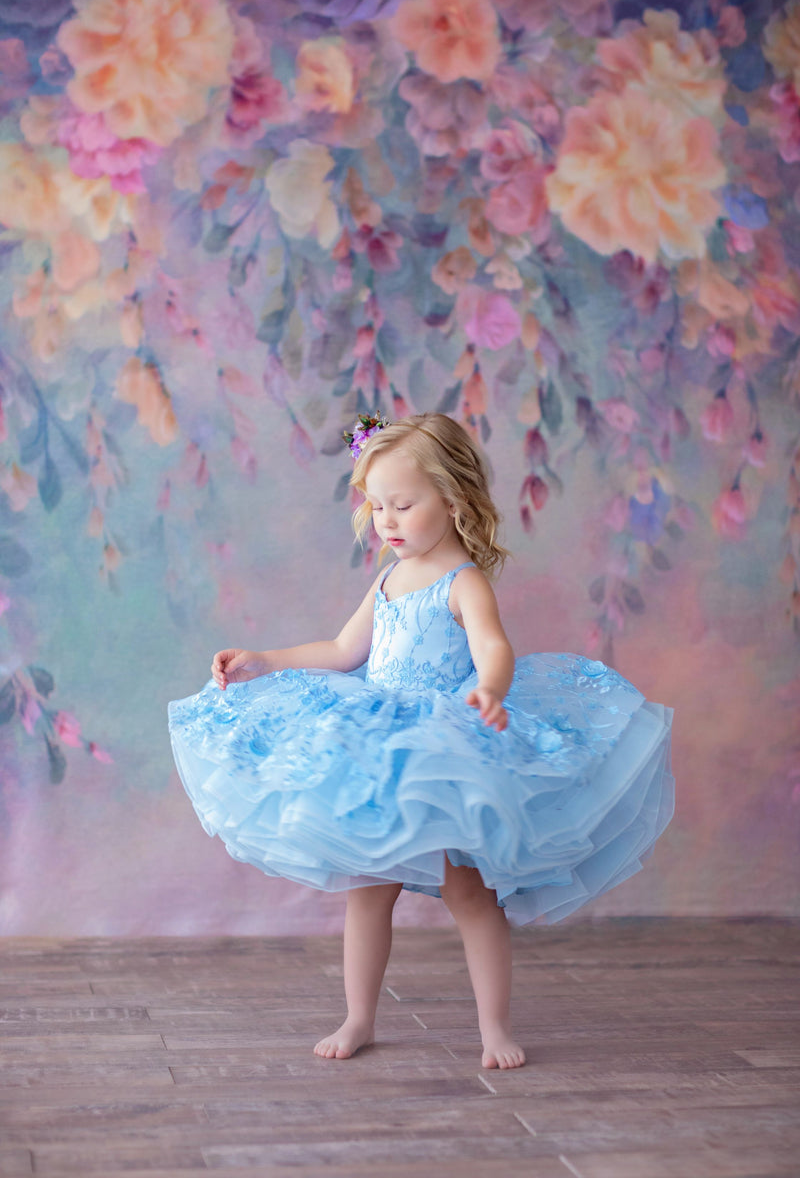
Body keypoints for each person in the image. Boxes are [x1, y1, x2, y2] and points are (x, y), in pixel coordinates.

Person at [169, 412, 674, 1070]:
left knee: (469, 894)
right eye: (376, 506)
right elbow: (343, 650)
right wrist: (265, 658)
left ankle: (494, 1028)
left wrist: (490, 689)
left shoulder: (463, 582)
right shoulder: (385, 582)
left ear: (454, 499)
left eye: (402, 504)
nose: (386, 520)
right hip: (380, 749)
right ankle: (358, 1017)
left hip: (447, 745)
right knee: (368, 888)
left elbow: (495, 646)